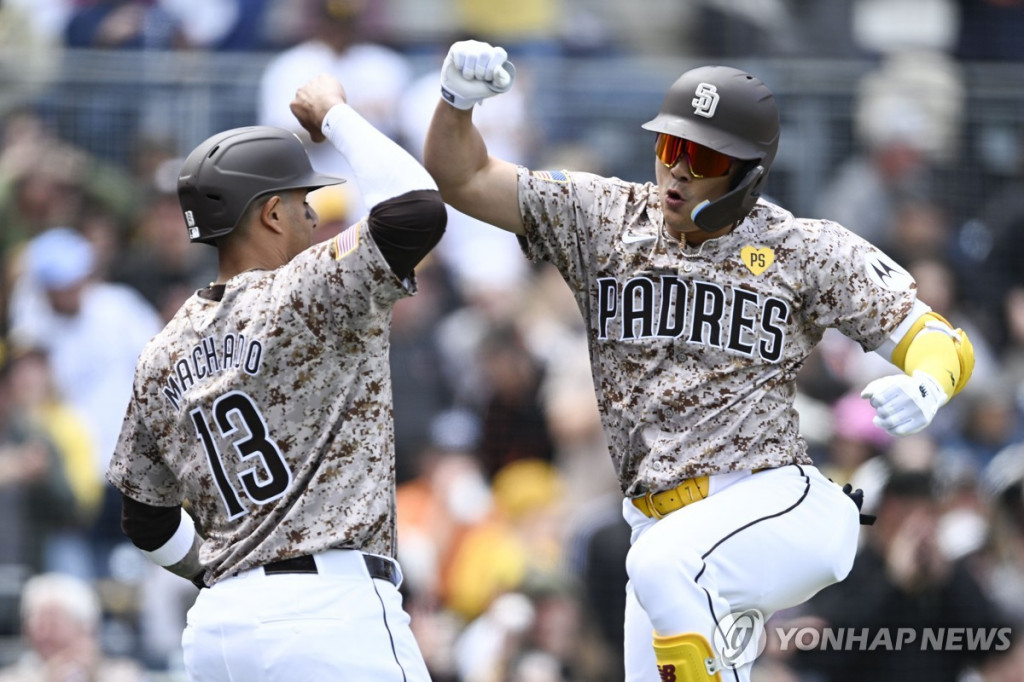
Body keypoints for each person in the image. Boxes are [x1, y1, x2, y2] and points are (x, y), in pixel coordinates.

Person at [422, 40, 976, 681]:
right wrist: (457, 101)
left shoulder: (801, 248)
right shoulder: (605, 219)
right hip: (657, 530)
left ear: (747, 171)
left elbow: (938, 339)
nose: (678, 171)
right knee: (661, 581)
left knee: (663, 568)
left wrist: (930, 387)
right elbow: (460, 177)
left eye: (703, 156)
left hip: (772, 502)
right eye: (669, 147)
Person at [105, 73, 446, 680]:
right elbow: (418, 207)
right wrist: (337, 114)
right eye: (301, 201)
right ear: (268, 213)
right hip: (332, 615)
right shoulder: (306, 288)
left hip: (219, 631)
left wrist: (218, 572)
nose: (314, 216)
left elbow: (145, 521)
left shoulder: (160, 350)